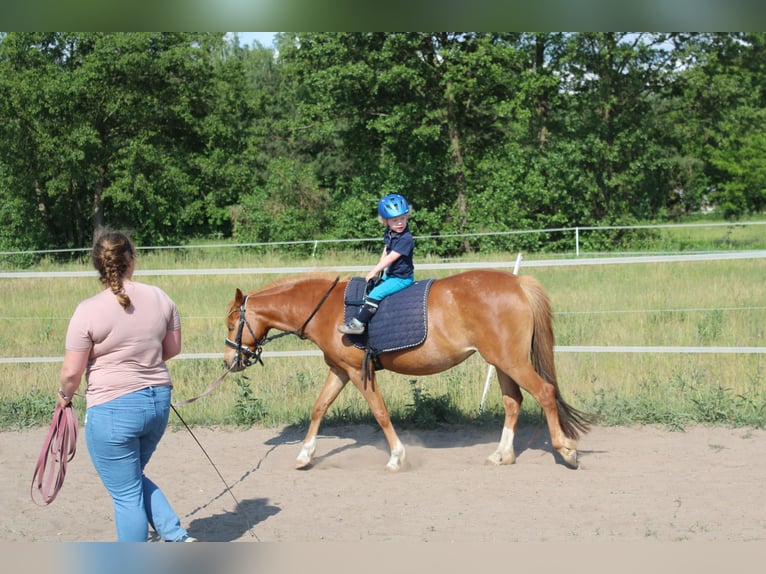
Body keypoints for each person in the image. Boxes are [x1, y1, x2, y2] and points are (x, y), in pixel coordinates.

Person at [57, 230, 196, 542]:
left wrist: (64, 397)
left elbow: (70, 373)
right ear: (132, 261)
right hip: (157, 403)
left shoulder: (88, 310)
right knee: (131, 480)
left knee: (125, 495)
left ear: (97, 266)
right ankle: (177, 537)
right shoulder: (162, 298)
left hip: (112, 410)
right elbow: (171, 349)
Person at [338, 193, 415, 335]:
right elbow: (387, 249)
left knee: (376, 293)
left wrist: (374, 270)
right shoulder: (391, 233)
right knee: (370, 289)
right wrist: (381, 268)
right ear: (385, 221)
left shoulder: (406, 238)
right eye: (395, 220)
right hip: (391, 274)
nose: (400, 223)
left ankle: (359, 324)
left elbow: (392, 257)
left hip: (401, 278)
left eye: (403, 218)